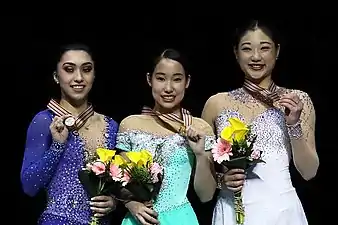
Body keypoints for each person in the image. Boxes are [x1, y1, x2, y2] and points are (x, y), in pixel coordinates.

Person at [202, 20, 319, 225]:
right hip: (231, 212)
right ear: (236, 53)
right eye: (247, 49)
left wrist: (293, 124)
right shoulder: (216, 104)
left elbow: (309, 172)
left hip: (282, 213)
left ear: (277, 51)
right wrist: (222, 181)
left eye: (264, 48)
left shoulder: (298, 101)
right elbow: (204, 182)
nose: (256, 57)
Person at [20, 43, 119, 225]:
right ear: (56, 76)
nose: (79, 77)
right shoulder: (44, 121)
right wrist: (58, 146)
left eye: (86, 69)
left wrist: (113, 201)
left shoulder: (111, 125)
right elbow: (29, 186)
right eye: (69, 69)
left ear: (94, 74)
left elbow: (115, 183)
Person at [115, 49, 216, 225]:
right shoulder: (130, 125)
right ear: (149, 79)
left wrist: (200, 155)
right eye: (161, 78)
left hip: (180, 218)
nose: (168, 88)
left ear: (187, 82)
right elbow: (120, 182)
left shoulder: (199, 128)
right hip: (139, 219)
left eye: (177, 79)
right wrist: (132, 205)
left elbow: (206, 196)